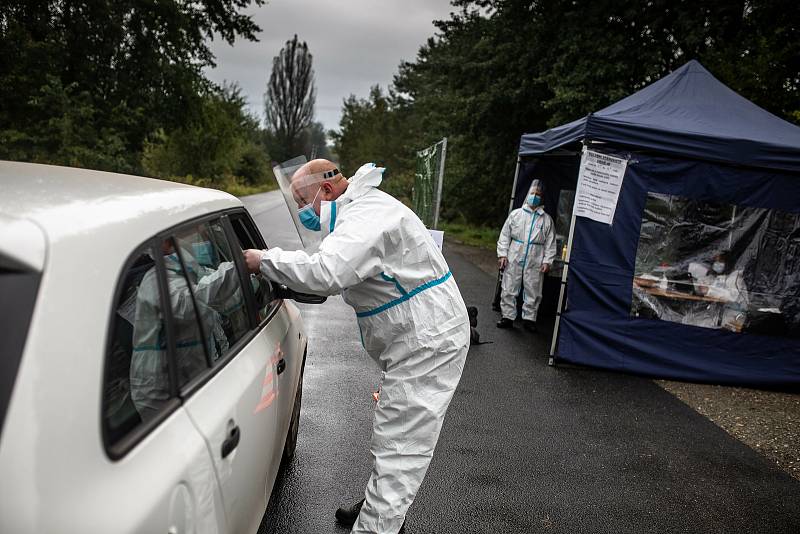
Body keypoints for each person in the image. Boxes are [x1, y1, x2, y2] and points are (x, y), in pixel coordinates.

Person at [243, 159, 470, 534]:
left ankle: (379, 522)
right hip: (416, 336)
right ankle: (379, 504)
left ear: (326, 191)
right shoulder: (362, 208)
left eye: (303, 201)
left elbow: (325, 272)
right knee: (395, 433)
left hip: (426, 342)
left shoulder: (365, 218)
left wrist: (263, 261)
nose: (303, 211)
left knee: (401, 446)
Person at [130, 238, 244, 420]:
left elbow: (225, 299)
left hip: (188, 380)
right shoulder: (155, 281)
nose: (197, 240)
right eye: (186, 235)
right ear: (165, 244)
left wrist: (255, 279)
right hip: (160, 390)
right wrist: (239, 269)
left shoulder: (188, 271)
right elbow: (193, 303)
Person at [495, 179, 557, 331]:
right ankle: (507, 316)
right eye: (532, 193)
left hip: (535, 258)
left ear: (542, 198)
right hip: (515, 255)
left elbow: (551, 242)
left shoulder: (546, 220)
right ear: (528, 194)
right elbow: (504, 236)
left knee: (533, 289)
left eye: (538, 194)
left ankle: (529, 319)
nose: (534, 196)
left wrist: (547, 261)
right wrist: (502, 254)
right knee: (509, 286)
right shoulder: (516, 215)